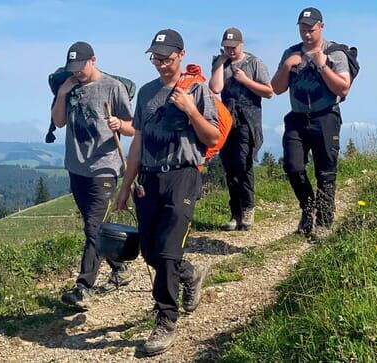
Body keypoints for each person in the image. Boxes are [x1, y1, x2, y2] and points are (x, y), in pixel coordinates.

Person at [114, 29, 218, 356]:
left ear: (181, 55)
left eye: (167, 59)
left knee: (169, 250)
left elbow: (212, 135)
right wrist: (126, 185)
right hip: (150, 179)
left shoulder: (197, 90)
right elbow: (138, 142)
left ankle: (165, 319)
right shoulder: (145, 94)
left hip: (183, 176)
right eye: (156, 59)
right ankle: (190, 274)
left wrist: (190, 109)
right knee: (150, 252)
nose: (161, 65)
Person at [51, 41, 136, 308]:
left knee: (93, 228)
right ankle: (120, 268)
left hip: (105, 168)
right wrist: (63, 94)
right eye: (72, 68)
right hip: (76, 168)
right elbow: (58, 122)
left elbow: (134, 127)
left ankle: (84, 286)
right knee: (93, 227)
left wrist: (120, 124)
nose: (77, 73)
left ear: (93, 60)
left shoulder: (113, 87)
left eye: (81, 67)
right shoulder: (68, 86)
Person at [271, 7, 351, 237]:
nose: (306, 34)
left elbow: (343, 87)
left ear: (321, 27)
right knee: (293, 167)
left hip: (326, 116)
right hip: (297, 118)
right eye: (303, 29)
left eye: (311, 29)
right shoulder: (291, 52)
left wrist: (322, 64)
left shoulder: (335, 53)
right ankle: (308, 209)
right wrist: (287, 65)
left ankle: (324, 222)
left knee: (326, 171)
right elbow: (276, 89)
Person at [209, 27, 273, 231]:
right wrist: (219, 64)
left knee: (243, 164)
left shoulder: (254, 63)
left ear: (241, 44)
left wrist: (246, 81)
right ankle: (235, 212)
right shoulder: (221, 62)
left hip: (247, 118)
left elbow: (269, 91)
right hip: (226, 119)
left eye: (233, 47)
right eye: (226, 47)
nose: (230, 51)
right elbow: (216, 88)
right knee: (229, 165)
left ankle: (247, 208)